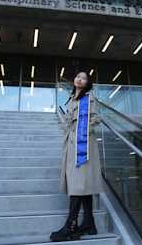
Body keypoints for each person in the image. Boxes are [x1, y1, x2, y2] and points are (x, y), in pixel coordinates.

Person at [50, 71, 103, 242]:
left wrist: (82, 132)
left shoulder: (88, 97)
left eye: (84, 78)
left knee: (78, 183)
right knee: (82, 183)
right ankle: (89, 222)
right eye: (78, 76)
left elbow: (95, 118)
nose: (79, 79)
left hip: (83, 143)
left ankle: (71, 224)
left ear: (88, 83)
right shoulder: (73, 97)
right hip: (73, 141)